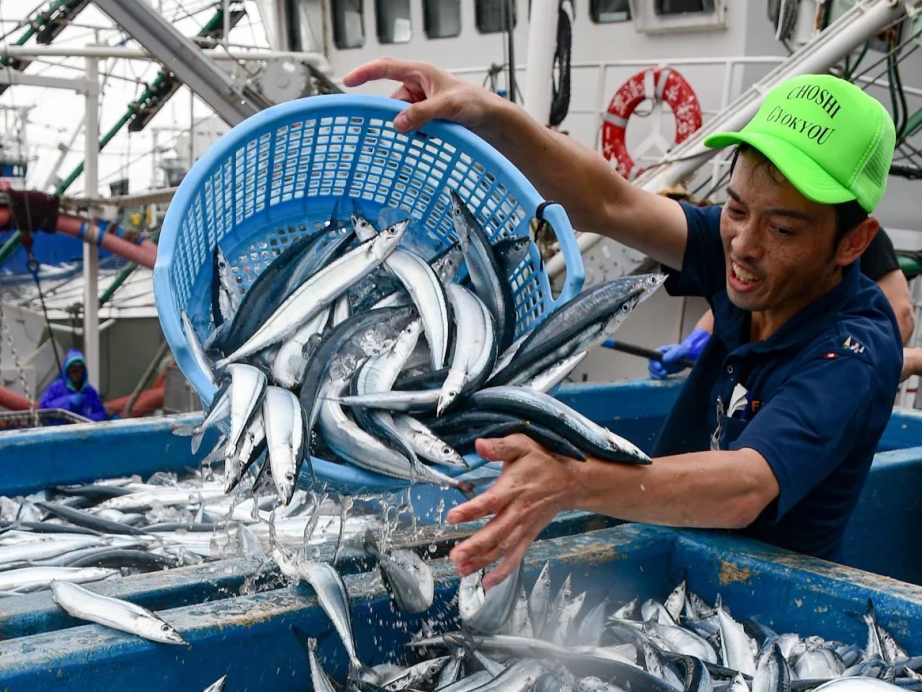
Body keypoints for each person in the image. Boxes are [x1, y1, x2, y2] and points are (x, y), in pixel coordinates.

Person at [344, 62, 903, 578]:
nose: (745, 245)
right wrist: (489, 112)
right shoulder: (745, 259)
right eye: (735, 209)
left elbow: (746, 486)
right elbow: (611, 203)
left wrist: (573, 482)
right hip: (664, 556)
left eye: (782, 230)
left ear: (854, 241)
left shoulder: (853, 351)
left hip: (766, 602)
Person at [650, 224, 921, 378]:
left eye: (784, 228)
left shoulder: (843, 229)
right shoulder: (752, 222)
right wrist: (698, 339)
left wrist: (860, 368)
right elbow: (741, 298)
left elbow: (901, 313)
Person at [39, 349, 108, 423]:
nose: (76, 375)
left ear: (83, 372)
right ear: (67, 372)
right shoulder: (55, 388)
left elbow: (101, 414)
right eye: (72, 371)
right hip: (59, 432)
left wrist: (85, 419)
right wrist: (67, 402)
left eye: (78, 371)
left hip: (84, 432)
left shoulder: (90, 392)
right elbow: (43, 409)